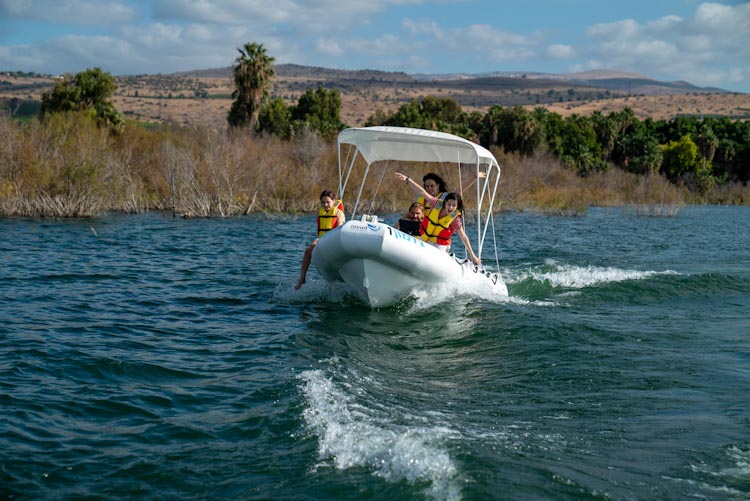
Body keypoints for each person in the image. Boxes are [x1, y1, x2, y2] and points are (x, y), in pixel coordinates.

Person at [395, 172, 481, 266]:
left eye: (453, 206)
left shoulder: (455, 220)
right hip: (425, 238)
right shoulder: (435, 203)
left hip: (440, 245)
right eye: (449, 205)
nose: (451, 208)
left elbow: (463, 237)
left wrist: (473, 255)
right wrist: (408, 179)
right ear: (444, 203)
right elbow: (421, 191)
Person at [295, 190, 345, 290]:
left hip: (334, 239)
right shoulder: (320, 212)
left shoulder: (339, 214)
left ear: (334, 201)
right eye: (323, 202)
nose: (325, 205)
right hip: (322, 239)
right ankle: (302, 278)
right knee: (308, 250)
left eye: (328, 202)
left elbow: (339, 230)